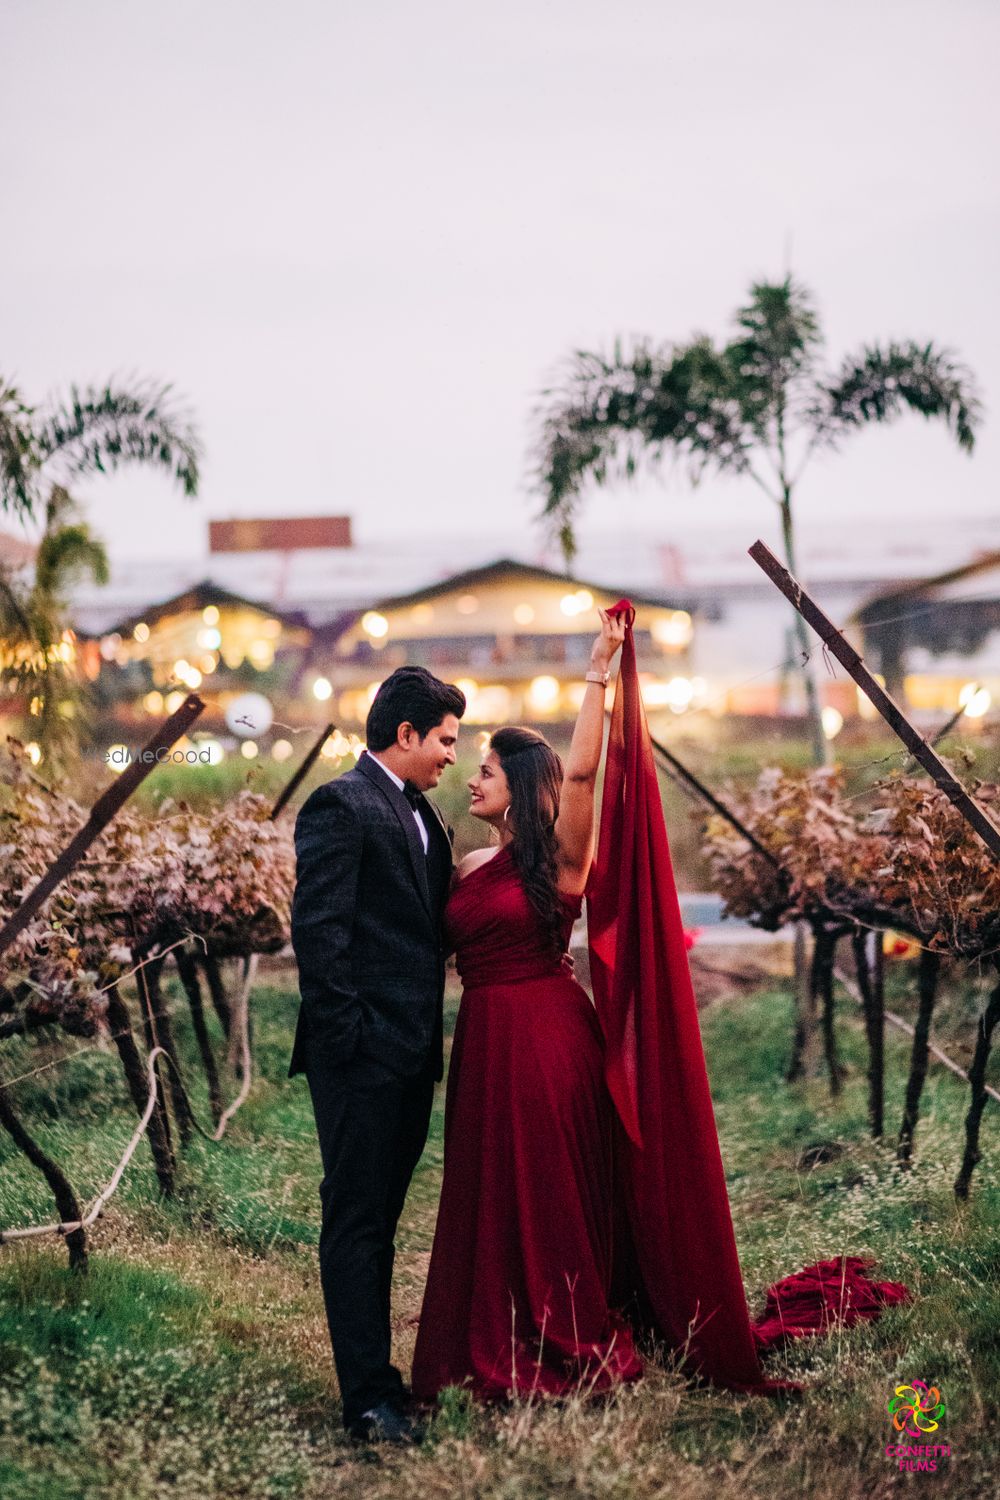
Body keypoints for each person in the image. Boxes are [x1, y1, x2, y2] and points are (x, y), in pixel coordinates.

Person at [411, 609, 644, 1401]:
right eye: (473, 767)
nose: (472, 779)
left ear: (520, 791)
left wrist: (598, 672)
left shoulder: (562, 863)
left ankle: (562, 1327)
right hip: (482, 1039)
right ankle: (488, 1326)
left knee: (545, 1187)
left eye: (488, 772)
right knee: (486, 1189)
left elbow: (581, 777)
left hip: (547, 1040)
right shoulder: (469, 858)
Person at [289, 666, 465, 1444]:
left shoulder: (424, 815)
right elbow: (319, 934)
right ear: (406, 734)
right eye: (446, 740)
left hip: (411, 1056)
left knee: (383, 1222)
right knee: (357, 1222)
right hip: (362, 1058)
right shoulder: (341, 803)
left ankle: (384, 1382)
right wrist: (350, 1044)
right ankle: (366, 1400)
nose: (453, 757)